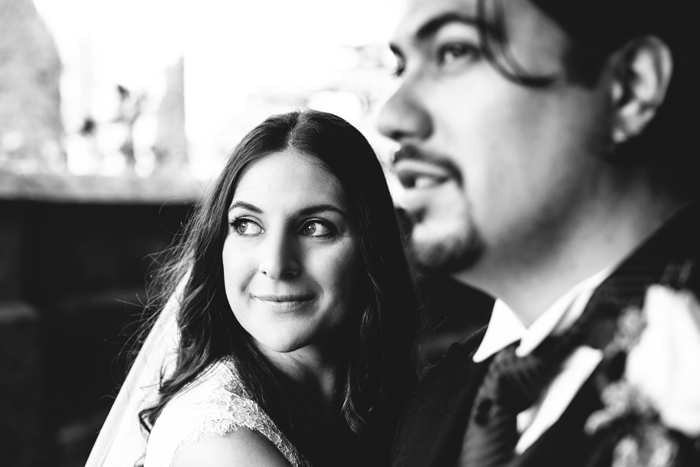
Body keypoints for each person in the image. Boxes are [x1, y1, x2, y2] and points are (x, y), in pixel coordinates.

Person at [378, 0, 700, 466]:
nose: (392, 116)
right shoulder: (430, 406)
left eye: (454, 50)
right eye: (401, 68)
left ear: (630, 88)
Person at [88, 109, 420, 467]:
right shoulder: (218, 443)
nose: (276, 265)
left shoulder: (395, 402)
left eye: (314, 227)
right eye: (247, 224)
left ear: (372, 246)